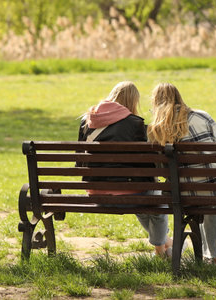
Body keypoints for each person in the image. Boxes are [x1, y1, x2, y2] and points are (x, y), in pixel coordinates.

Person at [147, 83, 216, 264]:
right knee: (212, 196)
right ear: (179, 97)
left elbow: (158, 167)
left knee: (207, 198)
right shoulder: (202, 117)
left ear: (155, 103)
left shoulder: (155, 130)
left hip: (179, 195)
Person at [78, 81, 173, 257]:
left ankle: (164, 245)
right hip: (130, 195)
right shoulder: (135, 124)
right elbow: (148, 167)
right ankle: (163, 248)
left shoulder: (87, 120)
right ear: (132, 101)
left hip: (96, 193)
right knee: (156, 200)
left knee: (147, 199)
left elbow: (80, 162)